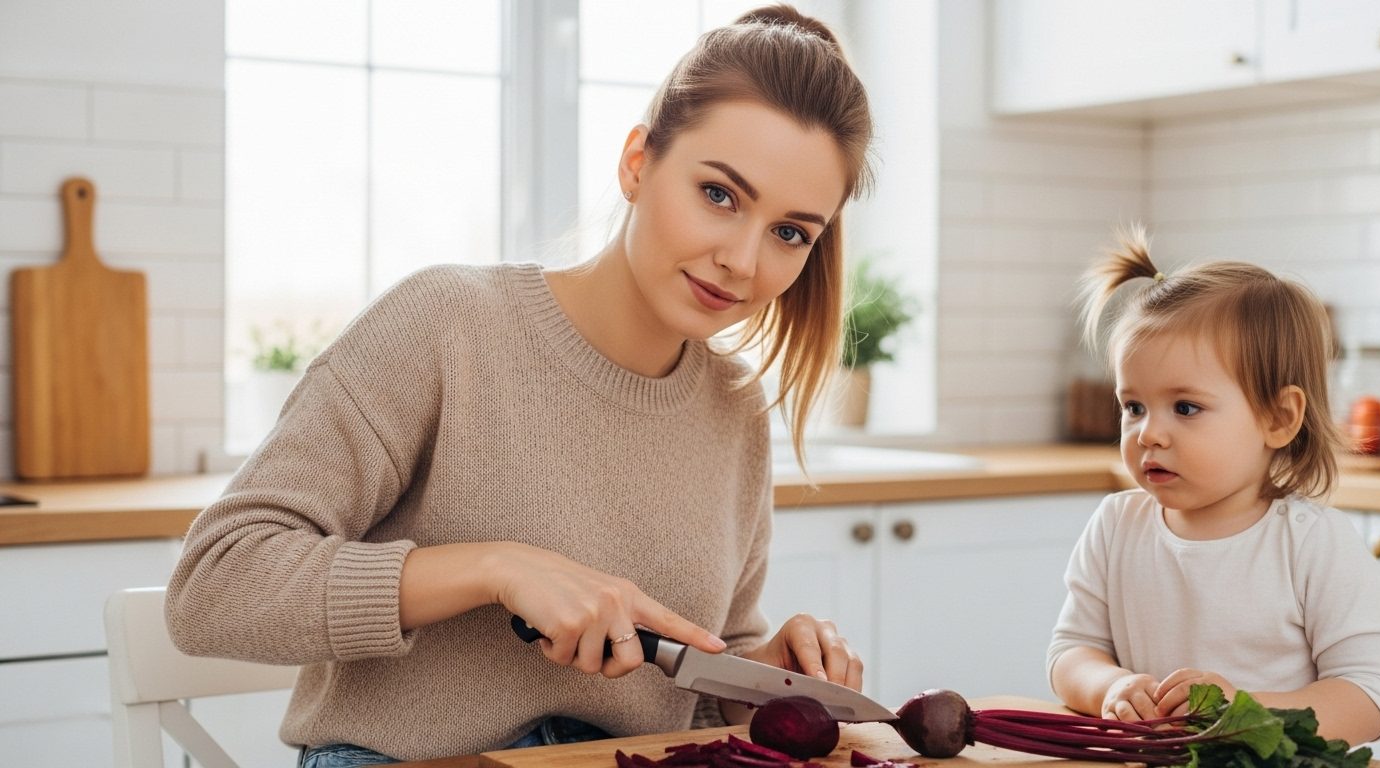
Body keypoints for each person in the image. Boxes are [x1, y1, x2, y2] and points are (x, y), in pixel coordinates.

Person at [165, 5, 875, 766]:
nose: (743, 258)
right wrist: (494, 568)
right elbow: (214, 589)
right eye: (720, 195)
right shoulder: (446, 325)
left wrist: (757, 674)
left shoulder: (732, 408)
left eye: (791, 232)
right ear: (638, 161)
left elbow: (698, 668)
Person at [1047, 226, 1380, 746]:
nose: (1148, 432)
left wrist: (1242, 710)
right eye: (1134, 406)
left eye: (1185, 407)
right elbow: (1071, 652)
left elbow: (1372, 695)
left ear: (1279, 418)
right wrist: (1111, 687)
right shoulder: (1116, 525)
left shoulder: (1312, 542)